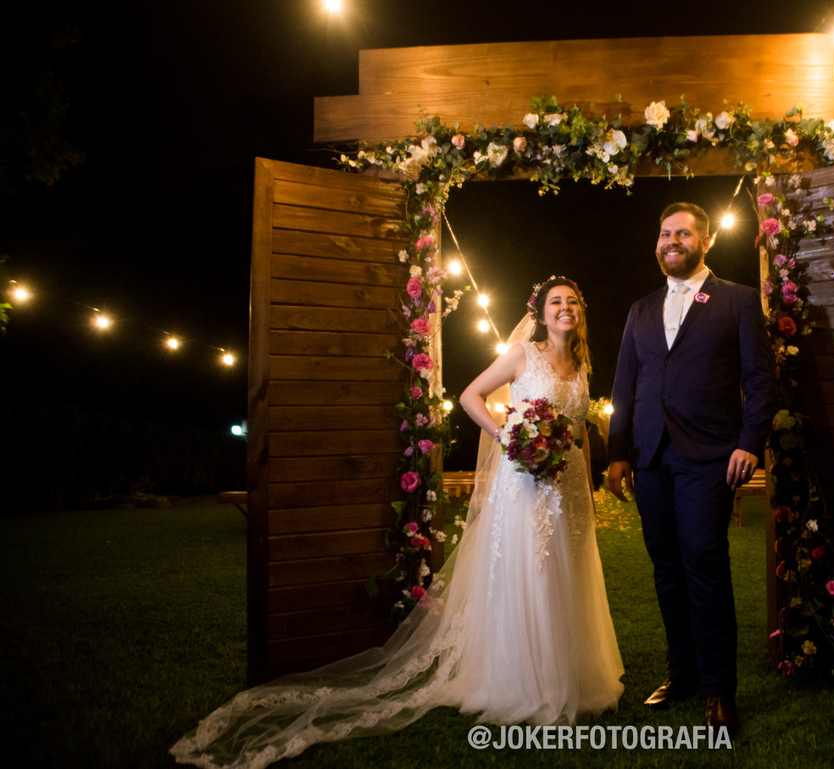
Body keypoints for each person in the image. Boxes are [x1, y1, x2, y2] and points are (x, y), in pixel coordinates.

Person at [171, 277, 623, 768]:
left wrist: (583, 485)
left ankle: (572, 676)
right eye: (556, 302)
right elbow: (473, 396)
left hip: (569, 484)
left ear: (581, 310)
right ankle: (528, 681)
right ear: (540, 311)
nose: (565, 308)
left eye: (572, 302)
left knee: (568, 572)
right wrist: (510, 435)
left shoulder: (581, 365)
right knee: (532, 574)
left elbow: (577, 429)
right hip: (527, 482)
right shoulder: (521, 355)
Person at [607, 202, 776, 736]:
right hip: (650, 457)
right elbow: (625, 388)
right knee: (665, 568)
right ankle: (682, 673)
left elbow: (762, 379)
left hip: (710, 456)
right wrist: (617, 453)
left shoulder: (738, 301)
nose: (671, 241)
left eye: (682, 233)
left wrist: (750, 442)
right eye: (664, 233)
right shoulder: (639, 310)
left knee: (704, 561)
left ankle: (718, 692)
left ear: (705, 242)